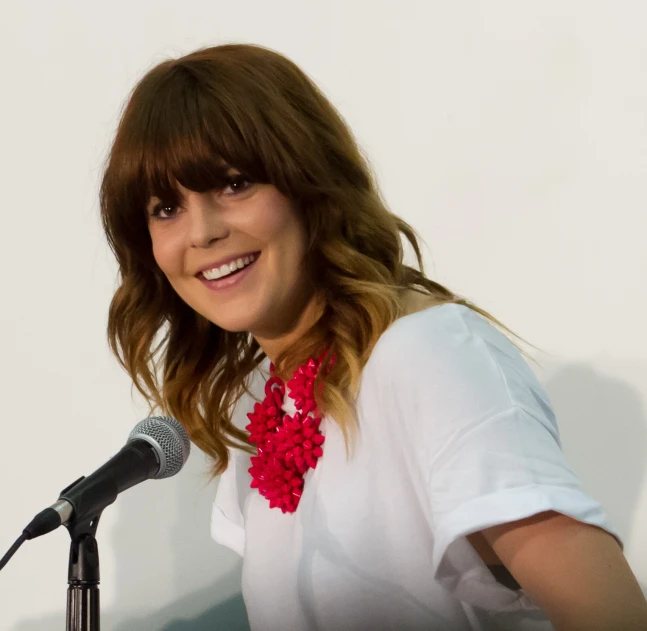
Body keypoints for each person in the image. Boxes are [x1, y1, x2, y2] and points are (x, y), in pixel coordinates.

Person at [99, 43, 647, 631]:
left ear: (309, 182)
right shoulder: (264, 405)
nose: (202, 232)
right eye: (165, 208)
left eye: (234, 184)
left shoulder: (429, 354)